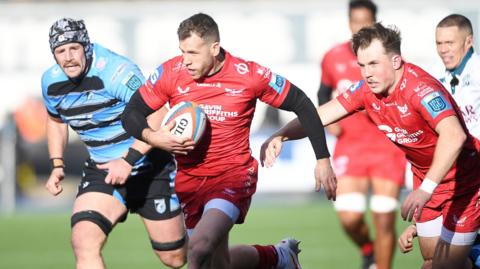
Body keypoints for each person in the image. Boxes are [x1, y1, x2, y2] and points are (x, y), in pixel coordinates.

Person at [122, 13, 336, 269]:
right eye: (182, 52)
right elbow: (131, 113)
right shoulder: (171, 72)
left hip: (232, 177)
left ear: (214, 48)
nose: (186, 61)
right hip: (189, 181)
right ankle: (279, 257)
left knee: (199, 249)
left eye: (193, 52)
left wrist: (322, 158)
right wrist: (154, 137)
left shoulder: (249, 75)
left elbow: (302, 103)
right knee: (217, 264)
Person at [261, 22, 480, 269]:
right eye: (362, 65)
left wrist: (425, 189)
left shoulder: (420, 89)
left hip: (466, 181)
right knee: (431, 261)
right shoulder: (366, 90)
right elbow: (319, 115)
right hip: (428, 180)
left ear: (396, 61)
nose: (366, 73)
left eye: (374, 64)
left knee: (443, 266)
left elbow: (455, 136)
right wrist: (280, 135)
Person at [41, 18, 187, 269]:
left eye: (73, 48)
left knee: (174, 258)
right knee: (83, 242)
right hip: (103, 171)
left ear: (86, 46)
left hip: (150, 168)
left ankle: (210, 245)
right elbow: (55, 121)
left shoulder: (117, 72)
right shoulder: (51, 82)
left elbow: (159, 117)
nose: (68, 57)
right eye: (60, 51)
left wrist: (128, 160)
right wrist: (57, 163)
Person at [318, 1, 406, 268]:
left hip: (385, 147)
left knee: (383, 219)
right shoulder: (333, 57)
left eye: (365, 22)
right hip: (350, 146)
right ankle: (368, 250)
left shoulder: (388, 58)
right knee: (349, 217)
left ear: (375, 22)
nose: (359, 27)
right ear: (349, 22)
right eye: (355, 21)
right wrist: (327, 122)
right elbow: (322, 92)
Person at [398, 13, 480, 268]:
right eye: (439, 43)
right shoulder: (431, 79)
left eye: (450, 43)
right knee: (431, 263)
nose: (444, 50)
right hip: (452, 182)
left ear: (468, 41)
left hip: (473, 179)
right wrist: (417, 225)